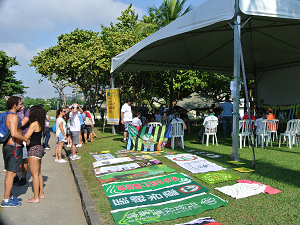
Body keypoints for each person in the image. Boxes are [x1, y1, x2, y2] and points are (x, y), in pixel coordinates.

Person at [1, 96, 28, 207]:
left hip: (8, 147)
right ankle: (6, 200)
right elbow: (14, 133)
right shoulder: (13, 117)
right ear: (14, 105)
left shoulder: (5, 115)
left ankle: (10, 196)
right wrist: (26, 139)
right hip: (14, 148)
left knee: (9, 173)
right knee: (11, 174)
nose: (21, 106)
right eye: (20, 104)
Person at [23, 105, 46, 203]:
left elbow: (26, 137)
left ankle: (35, 197)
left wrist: (17, 134)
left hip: (33, 150)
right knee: (38, 173)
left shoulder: (34, 124)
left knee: (34, 174)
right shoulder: (41, 124)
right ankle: (41, 194)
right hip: (39, 148)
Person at [13, 94, 30, 186]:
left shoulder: (27, 111)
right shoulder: (13, 111)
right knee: (14, 158)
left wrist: (12, 123)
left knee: (23, 159)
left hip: (23, 137)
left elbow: (23, 123)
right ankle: (15, 176)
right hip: (14, 137)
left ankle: (23, 177)